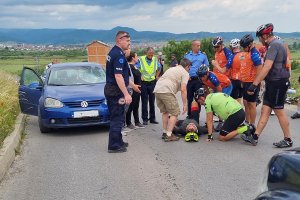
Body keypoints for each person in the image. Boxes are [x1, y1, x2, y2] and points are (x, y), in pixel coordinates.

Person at [241, 23, 293, 148]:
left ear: (264, 35)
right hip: (274, 82)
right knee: (265, 109)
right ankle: (255, 136)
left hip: (278, 82)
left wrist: (254, 84)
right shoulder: (275, 44)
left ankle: (288, 139)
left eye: (259, 37)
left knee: (279, 110)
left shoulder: (274, 45)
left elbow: (266, 67)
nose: (258, 40)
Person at [104, 31, 139, 153]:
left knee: (119, 117)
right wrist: (126, 94)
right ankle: (114, 146)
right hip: (115, 92)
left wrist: (133, 86)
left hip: (113, 89)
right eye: (127, 41)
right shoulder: (118, 55)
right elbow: (118, 76)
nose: (129, 43)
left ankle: (118, 141)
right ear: (119, 40)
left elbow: (123, 75)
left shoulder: (116, 52)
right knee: (117, 118)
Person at [153, 58, 190, 142]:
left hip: (158, 89)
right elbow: (183, 89)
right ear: (187, 66)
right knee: (175, 112)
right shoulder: (185, 73)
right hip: (167, 91)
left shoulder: (172, 68)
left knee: (165, 112)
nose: (189, 70)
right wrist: (185, 104)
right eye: (189, 68)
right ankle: (169, 135)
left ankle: (165, 132)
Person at [239, 34, 263, 126]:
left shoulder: (254, 54)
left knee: (252, 104)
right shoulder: (249, 52)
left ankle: (252, 125)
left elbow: (260, 69)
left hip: (252, 83)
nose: (243, 49)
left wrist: (254, 84)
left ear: (250, 45)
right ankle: (247, 121)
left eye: (245, 47)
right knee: (246, 103)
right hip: (246, 82)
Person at [212, 39, 244, 104]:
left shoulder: (228, 53)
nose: (216, 49)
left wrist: (216, 65)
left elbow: (224, 70)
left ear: (222, 45)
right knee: (238, 100)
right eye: (214, 47)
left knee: (230, 101)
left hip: (228, 80)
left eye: (217, 47)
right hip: (223, 79)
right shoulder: (242, 54)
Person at [184, 40, 209, 120]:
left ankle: (196, 114)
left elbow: (206, 67)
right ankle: (190, 114)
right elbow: (183, 67)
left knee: (199, 97)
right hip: (189, 80)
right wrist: (186, 76)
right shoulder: (187, 55)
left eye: (199, 45)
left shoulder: (203, 56)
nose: (199, 47)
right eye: (197, 45)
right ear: (193, 46)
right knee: (189, 97)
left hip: (198, 80)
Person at [137, 47, 161, 125]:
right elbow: (136, 68)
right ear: (146, 53)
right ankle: (145, 119)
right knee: (144, 101)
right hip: (143, 83)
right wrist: (140, 76)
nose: (151, 55)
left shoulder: (155, 59)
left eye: (152, 54)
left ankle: (152, 118)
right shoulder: (141, 59)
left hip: (152, 82)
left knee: (152, 101)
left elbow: (159, 68)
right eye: (150, 54)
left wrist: (156, 76)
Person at [125, 51, 145, 129]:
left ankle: (137, 121)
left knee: (136, 106)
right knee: (130, 107)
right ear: (133, 58)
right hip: (132, 89)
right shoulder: (129, 67)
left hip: (138, 90)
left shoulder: (135, 66)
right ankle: (128, 122)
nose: (138, 58)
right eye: (136, 56)